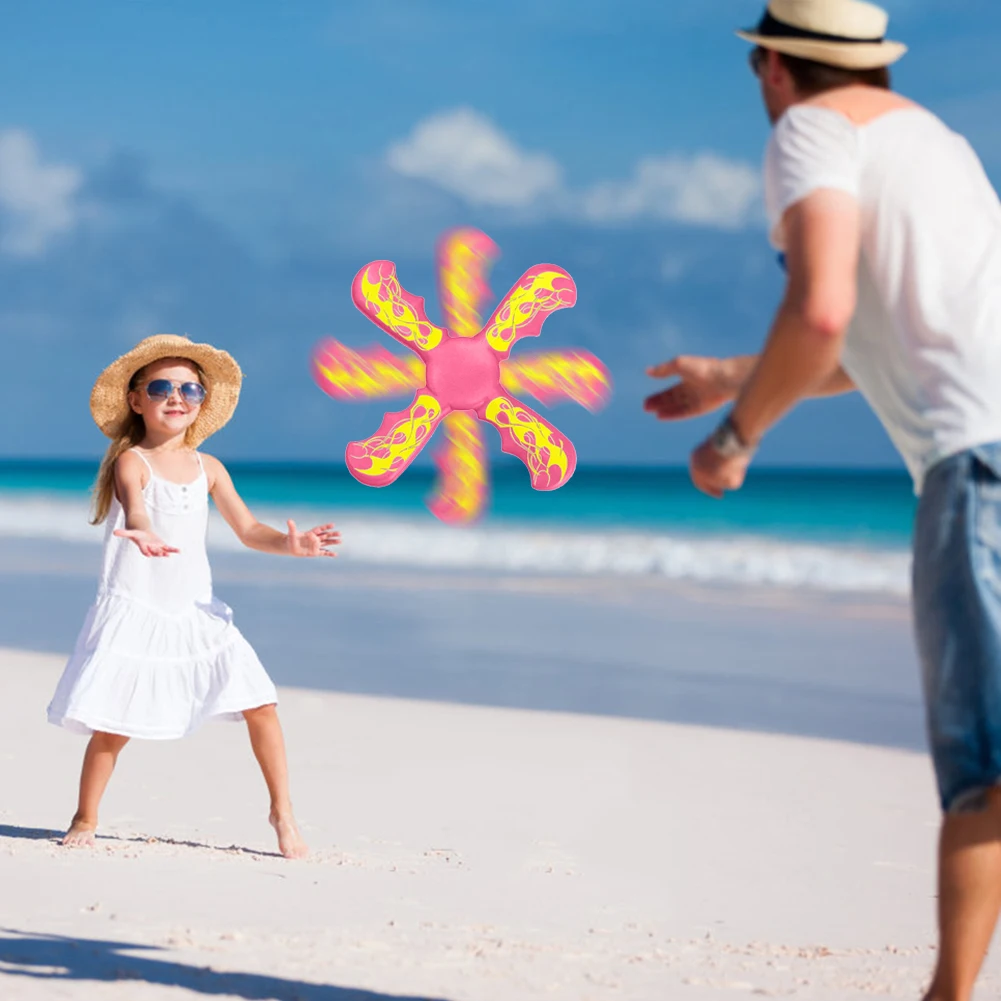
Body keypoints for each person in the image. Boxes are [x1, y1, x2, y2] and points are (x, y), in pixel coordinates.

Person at [644, 2, 1001, 998]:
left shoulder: (810, 129)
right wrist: (729, 374)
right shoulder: (938, 144)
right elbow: (869, 338)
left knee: (986, 758)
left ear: (769, 66)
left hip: (977, 468)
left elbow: (820, 306)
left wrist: (734, 437)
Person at [47, 334, 340, 860]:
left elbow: (249, 530)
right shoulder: (132, 461)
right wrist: (143, 529)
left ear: (202, 401)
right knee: (114, 726)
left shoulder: (211, 469)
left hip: (196, 612)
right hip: (138, 607)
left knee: (262, 704)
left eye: (190, 388)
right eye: (161, 386)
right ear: (137, 399)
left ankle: (283, 813)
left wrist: (291, 545)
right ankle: (85, 816)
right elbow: (136, 507)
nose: (177, 396)